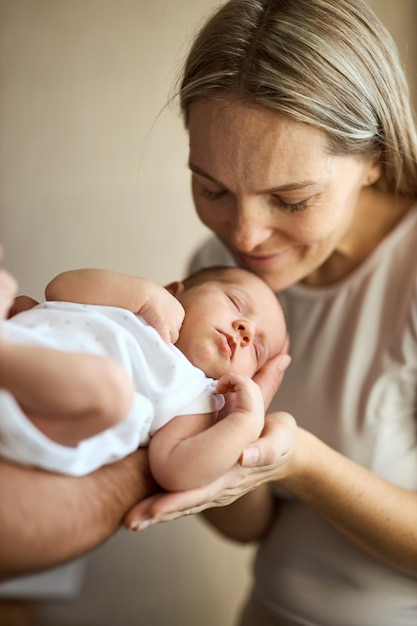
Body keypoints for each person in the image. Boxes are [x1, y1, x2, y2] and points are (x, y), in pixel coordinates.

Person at [122, 0, 417, 625]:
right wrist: (219, 437)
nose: (246, 236)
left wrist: (299, 461)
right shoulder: (218, 269)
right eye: (212, 189)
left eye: (291, 198)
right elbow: (248, 528)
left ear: (376, 159)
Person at [0, 259, 287, 491]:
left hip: (46, 423)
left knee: (111, 390)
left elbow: (176, 470)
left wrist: (245, 423)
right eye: (236, 303)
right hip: (26, 357)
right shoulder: (137, 305)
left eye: (258, 350)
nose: (246, 331)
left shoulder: (198, 397)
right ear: (174, 292)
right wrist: (146, 294)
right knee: (23, 303)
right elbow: (59, 288)